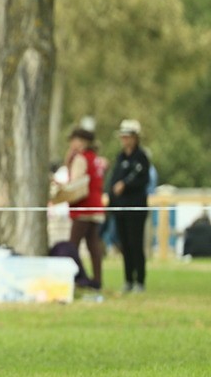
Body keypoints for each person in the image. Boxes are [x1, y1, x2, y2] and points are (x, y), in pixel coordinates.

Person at [52, 128, 105, 289]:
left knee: (72, 245)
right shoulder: (95, 158)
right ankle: (97, 280)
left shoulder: (80, 159)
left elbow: (76, 184)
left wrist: (61, 184)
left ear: (81, 141)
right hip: (96, 205)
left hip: (83, 207)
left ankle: (76, 277)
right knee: (93, 244)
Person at [108, 119, 151, 293]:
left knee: (135, 244)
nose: (124, 140)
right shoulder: (120, 157)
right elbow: (113, 180)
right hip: (120, 209)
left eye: (127, 137)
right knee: (124, 245)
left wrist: (126, 185)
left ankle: (139, 280)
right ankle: (128, 280)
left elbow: (143, 180)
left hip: (135, 208)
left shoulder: (141, 157)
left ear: (135, 138)